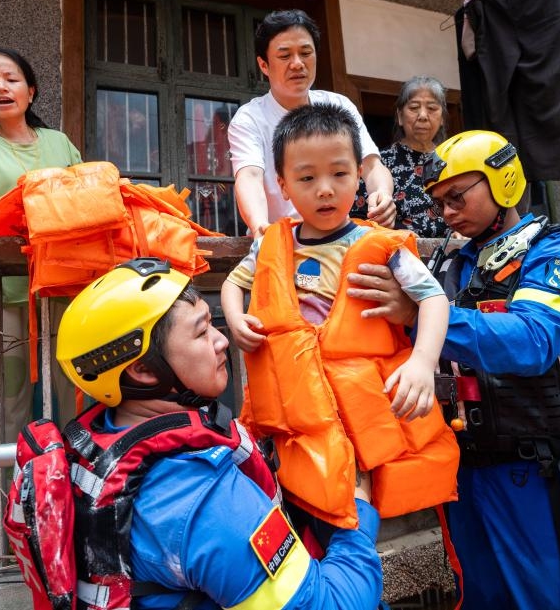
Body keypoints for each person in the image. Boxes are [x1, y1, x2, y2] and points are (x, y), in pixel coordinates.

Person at [353, 130, 560, 609]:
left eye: (457, 195)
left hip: (540, 470)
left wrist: (422, 313)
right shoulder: (447, 263)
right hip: (463, 470)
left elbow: (533, 340)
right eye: (439, 202)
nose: (448, 211)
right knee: (480, 595)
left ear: (503, 181)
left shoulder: (557, 250)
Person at [53, 257, 384, 609]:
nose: (222, 342)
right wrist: (357, 516)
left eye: (213, 324)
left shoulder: (105, 439)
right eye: (201, 332)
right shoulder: (205, 504)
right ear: (143, 370)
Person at [221, 103, 457, 536]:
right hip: (298, 406)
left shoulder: (379, 244)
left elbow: (434, 299)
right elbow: (234, 284)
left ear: (360, 178)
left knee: (355, 504)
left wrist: (422, 362)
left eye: (340, 174)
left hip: (361, 405)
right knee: (302, 497)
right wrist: (235, 320)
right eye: (307, 178)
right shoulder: (273, 243)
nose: (325, 190)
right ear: (283, 186)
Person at [0, 47, 83, 437]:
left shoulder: (59, 142)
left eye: (12, 79)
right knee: (10, 398)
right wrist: (50, 214)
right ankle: (11, 493)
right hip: (8, 292)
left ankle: (77, 486)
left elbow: (87, 200)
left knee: (75, 391)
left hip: (66, 286)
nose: (2, 87)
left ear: (30, 91)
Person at [228, 9, 396, 236]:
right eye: (285, 56)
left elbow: (372, 165)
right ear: (264, 65)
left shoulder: (339, 105)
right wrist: (260, 227)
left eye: (306, 53)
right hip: (278, 240)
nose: (297, 64)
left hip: (338, 236)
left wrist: (383, 194)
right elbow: (249, 176)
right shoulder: (249, 118)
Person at [351, 76, 450, 238]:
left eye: (432, 108)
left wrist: (459, 232)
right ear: (400, 116)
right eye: (414, 108)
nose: (423, 116)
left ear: (442, 119)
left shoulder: (453, 160)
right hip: (397, 253)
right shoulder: (378, 164)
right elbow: (361, 220)